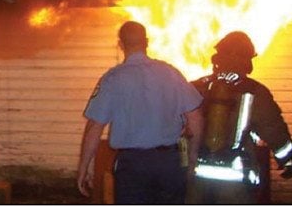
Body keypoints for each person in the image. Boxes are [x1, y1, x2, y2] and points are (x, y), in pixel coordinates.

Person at [77, 20, 204, 204]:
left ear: (120, 44)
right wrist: (191, 158)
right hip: (170, 163)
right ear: (147, 42)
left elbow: (95, 127)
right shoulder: (171, 73)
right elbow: (196, 118)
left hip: (133, 166)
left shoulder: (113, 79)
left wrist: (84, 166)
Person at [189, 31, 292, 204]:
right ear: (247, 60)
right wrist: (288, 161)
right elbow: (273, 130)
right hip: (234, 181)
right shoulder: (255, 91)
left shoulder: (197, 86)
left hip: (196, 178)